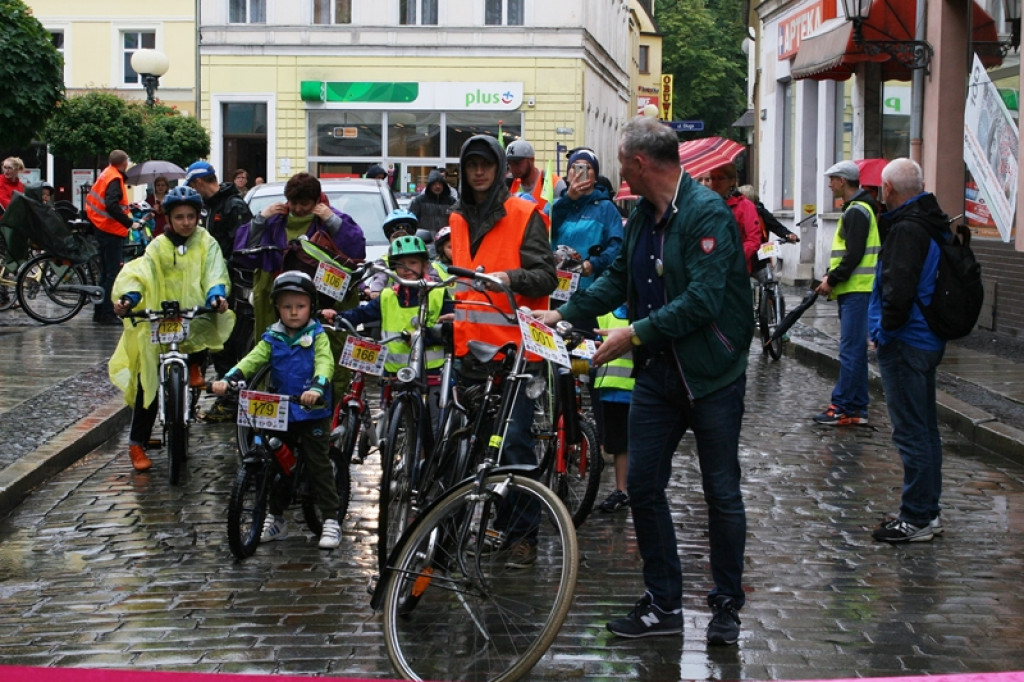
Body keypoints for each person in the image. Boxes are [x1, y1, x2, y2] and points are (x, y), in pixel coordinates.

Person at [536, 115, 752, 645]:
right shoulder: (640, 218)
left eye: (618, 158)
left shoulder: (706, 215)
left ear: (637, 163)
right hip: (659, 375)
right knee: (645, 487)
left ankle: (725, 603)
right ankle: (663, 603)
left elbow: (701, 301)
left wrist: (632, 335)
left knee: (721, 491)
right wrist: (563, 315)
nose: (614, 167)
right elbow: (618, 279)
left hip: (712, 375)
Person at [449, 134, 557, 569]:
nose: (479, 172)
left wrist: (511, 278)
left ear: (499, 168)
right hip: (469, 352)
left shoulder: (524, 213)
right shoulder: (457, 218)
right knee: (474, 445)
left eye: (486, 164)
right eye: (471, 164)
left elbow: (545, 276)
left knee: (513, 446)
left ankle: (521, 536)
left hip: (515, 354)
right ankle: (486, 525)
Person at [211, 270, 343, 550]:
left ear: (311, 307)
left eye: (300, 306)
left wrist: (317, 388)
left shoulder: (317, 336)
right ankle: (277, 517)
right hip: (281, 411)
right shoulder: (274, 337)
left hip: (311, 411)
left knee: (318, 464)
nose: (294, 313)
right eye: (287, 307)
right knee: (277, 465)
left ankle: (331, 518)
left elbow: (325, 364)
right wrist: (228, 379)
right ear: (277, 309)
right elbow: (252, 360)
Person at [109, 186, 234, 472]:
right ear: (169, 218)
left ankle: (195, 365)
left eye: (191, 216)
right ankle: (136, 442)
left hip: (193, 316)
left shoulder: (206, 242)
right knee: (148, 382)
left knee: (208, 325)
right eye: (180, 217)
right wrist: (129, 299)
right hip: (159, 317)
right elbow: (141, 273)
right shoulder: (157, 246)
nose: (187, 222)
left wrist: (216, 294)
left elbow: (215, 270)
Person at [868, 158, 950, 544]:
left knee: (912, 433)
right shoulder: (931, 221)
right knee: (925, 430)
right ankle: (926, 511)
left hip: (907, 340)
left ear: (887, 189)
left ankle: (916, 516)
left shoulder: (907, 228)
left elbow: (897, 289)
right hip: (926, 338)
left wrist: (884, 331)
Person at [235, 171, 366, 339]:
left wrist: (332, 220)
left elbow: (356, 247)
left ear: (317, 200)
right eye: (293, 202)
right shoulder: (275, 219)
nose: (297, 209)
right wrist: (261, 218)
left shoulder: (331, 218)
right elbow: (245, 250)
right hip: (278, 299)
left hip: (325, 300)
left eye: (304, 204)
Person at [184, 160, 256, 422]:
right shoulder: (210, 206)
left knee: (227, 345)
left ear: (199, 182)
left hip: (233, 289)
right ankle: (227, 396)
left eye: (192, 186)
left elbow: (243, 248)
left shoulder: (233, 206)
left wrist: (224, 267)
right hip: (213, 285)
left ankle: (231, 401)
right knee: (216, 342)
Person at [813, 160, 881, 426]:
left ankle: (841, 407)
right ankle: (857, 407)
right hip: (857, 289)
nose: (830, 184)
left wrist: (833, 278)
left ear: (843, 180)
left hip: (856, 290)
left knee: (851, 351)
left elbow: (853, 254)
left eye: (832, 179)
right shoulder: (861, 209)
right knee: (855, 351)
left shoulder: (856, 211)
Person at [549, 149, 623, 291]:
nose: (580, 172)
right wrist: (568, 200)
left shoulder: (606, 208)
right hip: (554, 288)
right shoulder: (554, 205)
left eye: (587, 168)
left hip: (589, 289)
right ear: (568, 175)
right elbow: (544, 231)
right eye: (575, 167)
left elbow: (617, 247)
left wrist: (593, 264)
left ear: (595, 177)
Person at [86, 150, 139, 326]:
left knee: (104, 273)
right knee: (112, 274)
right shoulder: (115, 178)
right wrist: (129, 222)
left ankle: (99, 312)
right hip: (111, 230)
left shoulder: (106, 174)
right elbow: (111, 205)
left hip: (101, 227)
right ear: (124, 163)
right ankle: (108, 313)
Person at [594, 304, 633, 514]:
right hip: (611, 391)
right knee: (618, 444)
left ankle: (632, 488)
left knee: (635, 444)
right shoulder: (606, 315)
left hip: (637, 391)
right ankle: (621, 490)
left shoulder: (648, 314)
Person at [706, 164, 760, 273]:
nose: (716, 182)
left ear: (732, 181)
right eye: (712, 178)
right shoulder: (706, 204)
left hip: (735, 270)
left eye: (720, 178)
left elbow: (753, 239)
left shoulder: (745, 206)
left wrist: (735, 257)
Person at [506, 139, 566, 217]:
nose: (513, 168)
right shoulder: (508, 183)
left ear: (532, 160)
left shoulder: (554, 183)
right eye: (510, 164)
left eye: (517, 163)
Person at [408, 168, 456, 238]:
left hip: (445, 241)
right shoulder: (419, 201)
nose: (438, 186)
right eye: (434, 184)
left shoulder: (451, 202)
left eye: (440, 184)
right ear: (429, 185)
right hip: (424, 241)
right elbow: (411, 222)